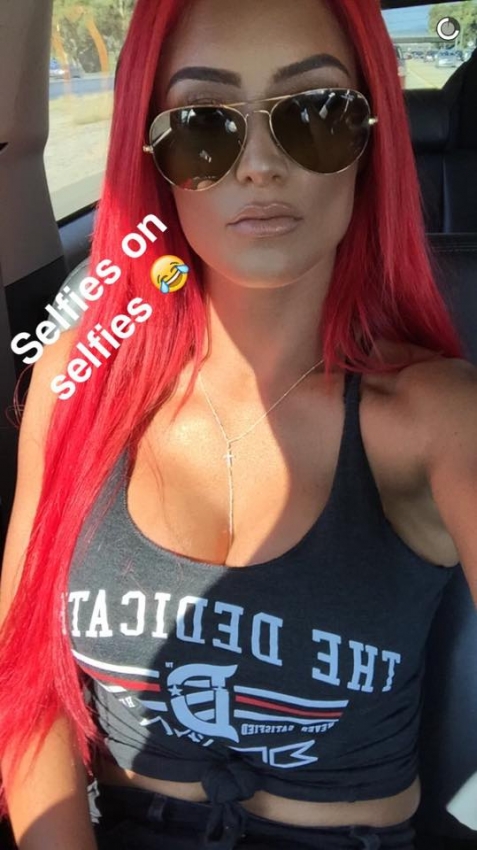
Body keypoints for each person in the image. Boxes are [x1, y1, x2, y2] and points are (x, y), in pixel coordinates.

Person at [1, 0, 476, 848]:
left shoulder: (438, 419)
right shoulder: (78, 381)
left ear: (370, 140)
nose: (258, 165)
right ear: (151, 156)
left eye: (315, 112)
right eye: (202, 125)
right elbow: (27, 688)